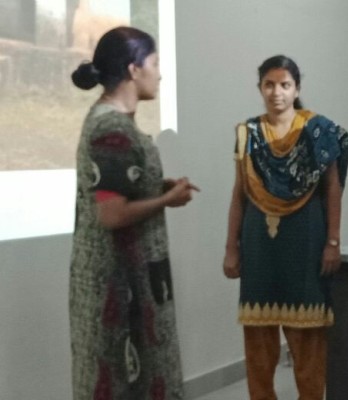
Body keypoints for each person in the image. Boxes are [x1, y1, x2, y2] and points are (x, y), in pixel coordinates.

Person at [69, 27, 197, 399]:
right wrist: (166, 200)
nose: (160, 74)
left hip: (128, 281)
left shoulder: (114, 122)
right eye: (154, 63)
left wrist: (158, 187)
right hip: (119, 288)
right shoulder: (111, 127)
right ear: (133, 69)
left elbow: (120, 187)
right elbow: (111, 213)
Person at [222, 55, 348, 400]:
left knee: (307, 337)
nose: (276, 92)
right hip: (258, 243)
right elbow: (239, 193)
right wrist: (231, 247)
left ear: (296, 89)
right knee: (258, 338)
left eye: (284, 85)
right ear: (260, 88)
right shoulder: (248, 133)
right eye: (269, 85)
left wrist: (333, 242)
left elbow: (333, 187)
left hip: (306, 239)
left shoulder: (317, 130)